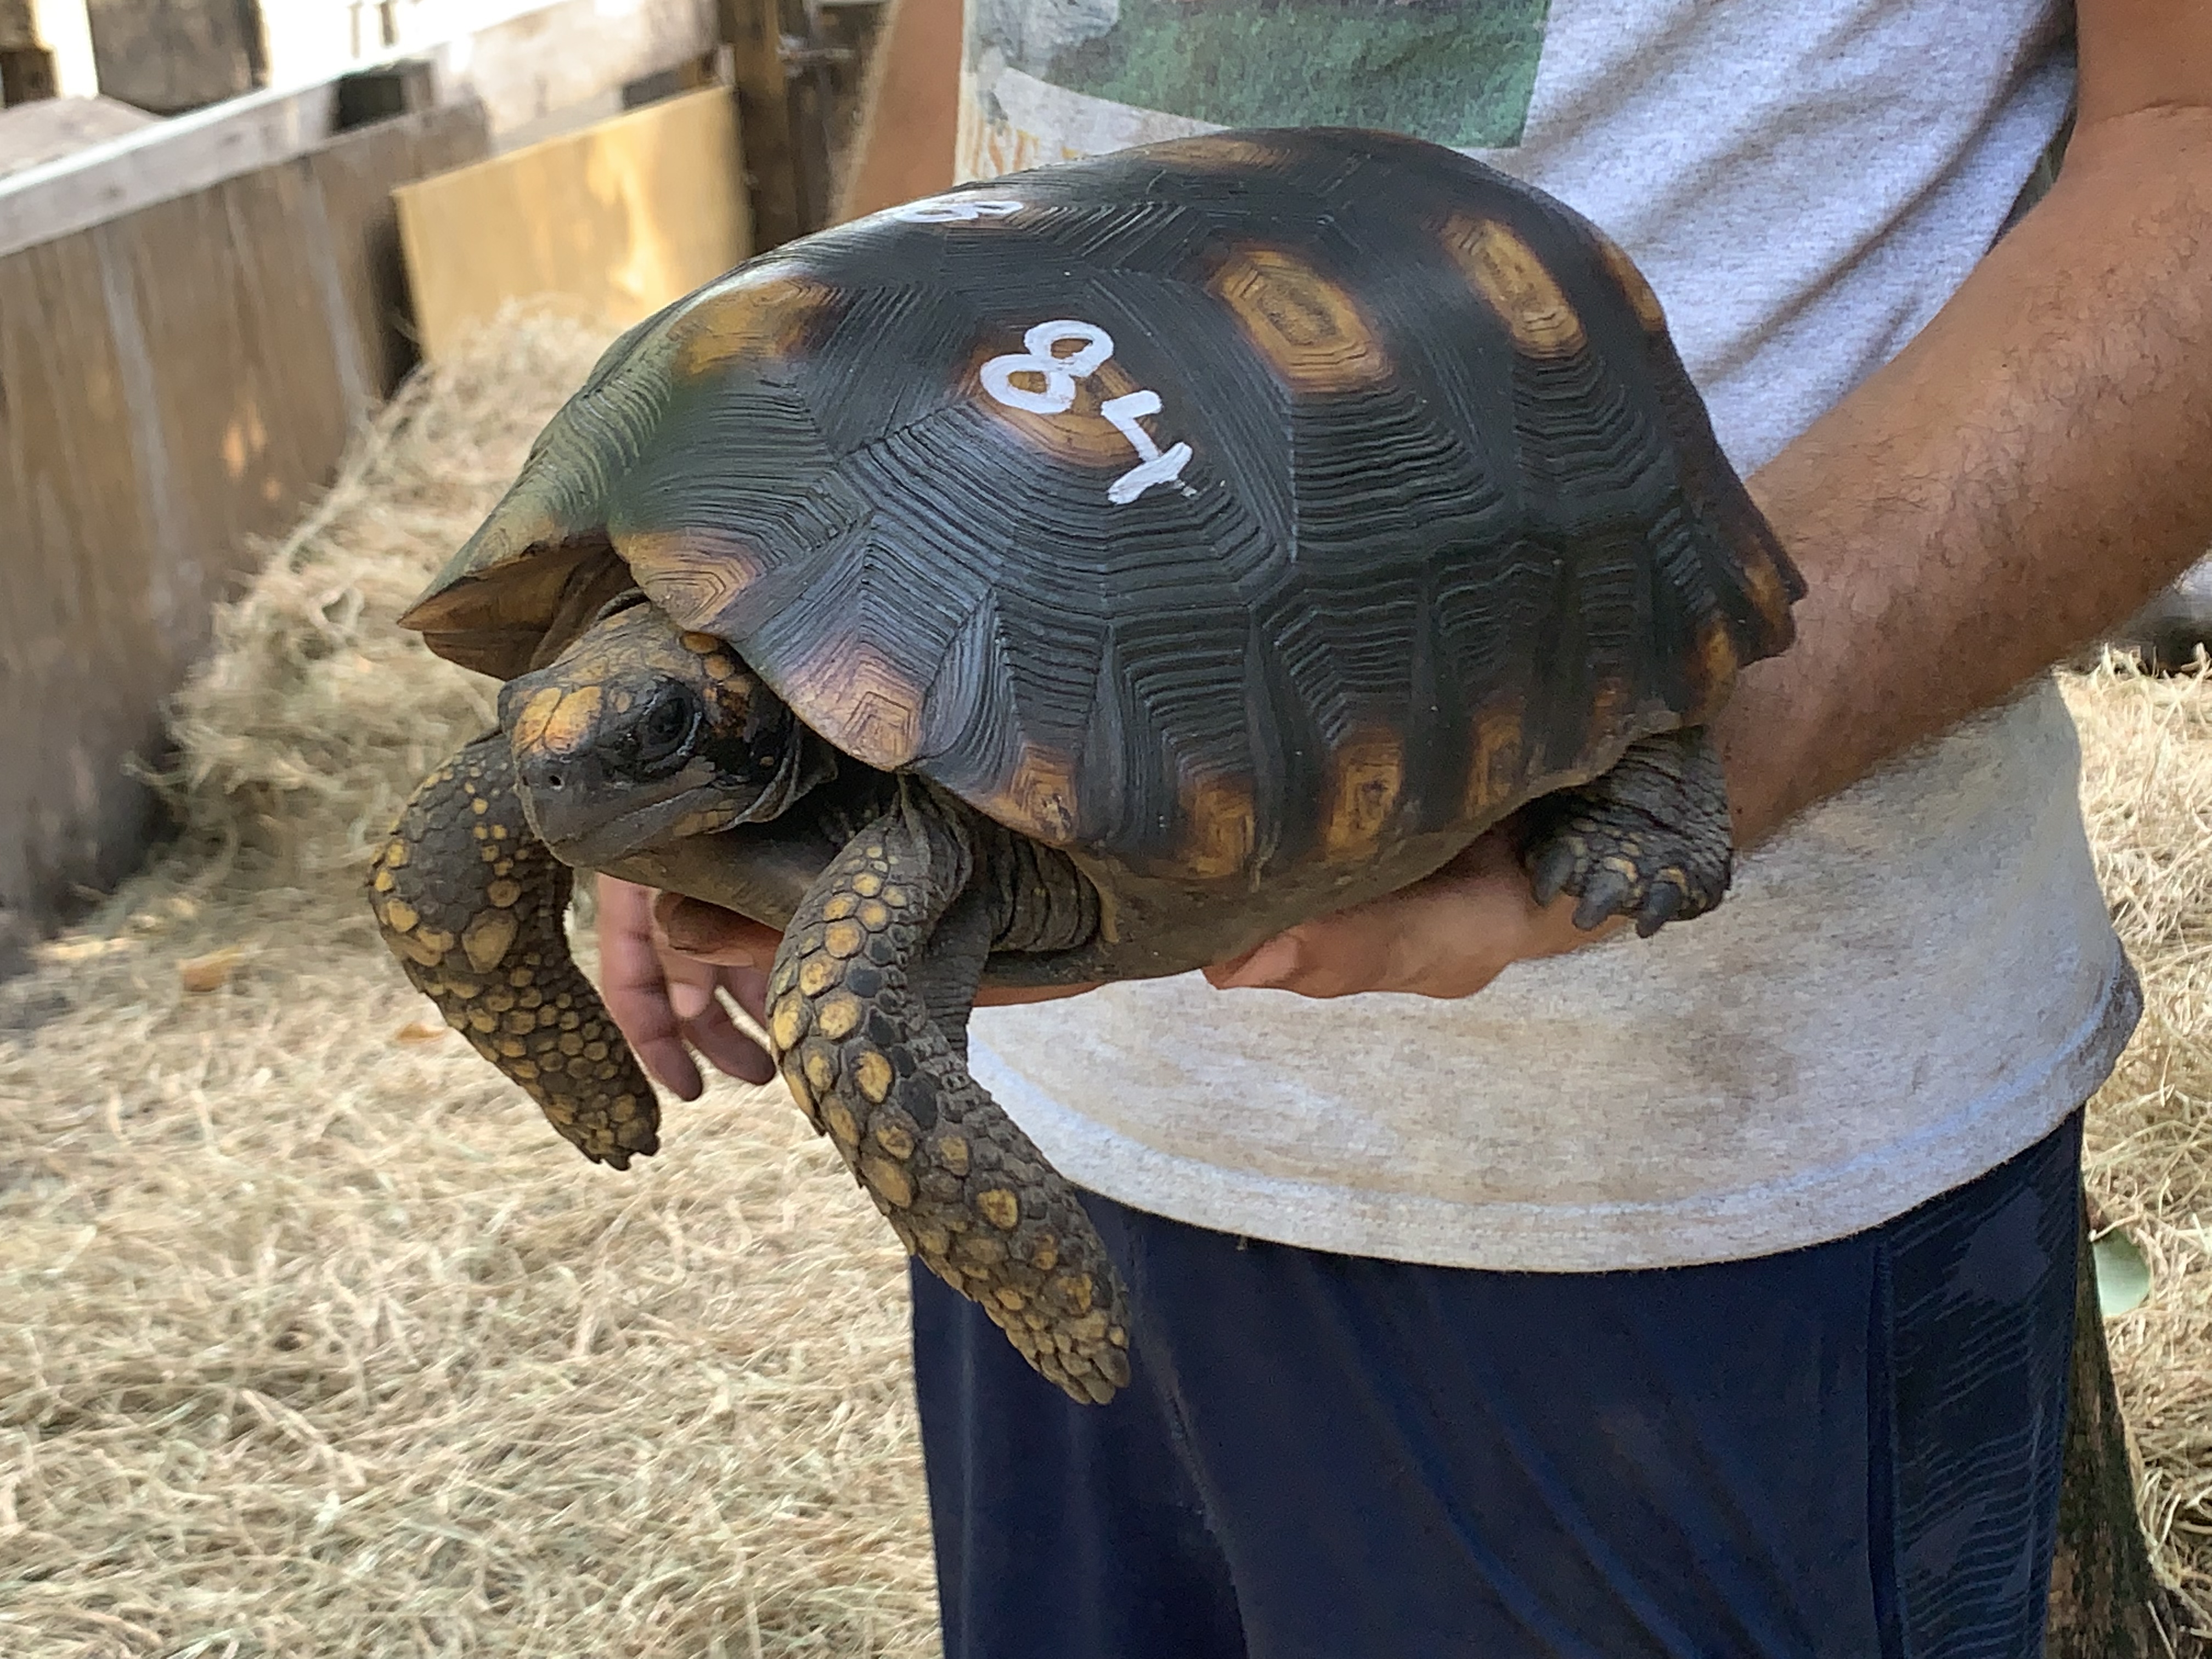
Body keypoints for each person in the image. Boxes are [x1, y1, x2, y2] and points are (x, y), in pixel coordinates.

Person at [595, 1, 2212, 1652]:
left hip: (1696, 1164)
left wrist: (1683, 746)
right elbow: (962, 76)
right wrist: (747, 634)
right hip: (1044, 1142)